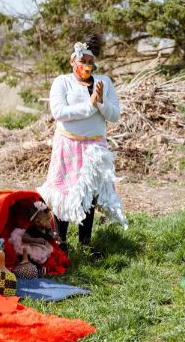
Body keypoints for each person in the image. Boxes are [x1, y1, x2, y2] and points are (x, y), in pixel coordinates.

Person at [37, 34, 127, 258]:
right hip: (68, 144)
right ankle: (61, 241)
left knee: (89, 193)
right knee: (65, 193)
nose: (86, 66)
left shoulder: (103, 82)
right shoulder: (62, 82)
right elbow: (59, 112)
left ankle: (85, 243)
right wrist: (89, 106)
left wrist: (100, 102)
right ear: (72, 61)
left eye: (90, 62)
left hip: (95, 148)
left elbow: (114, 115)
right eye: (82, 61)